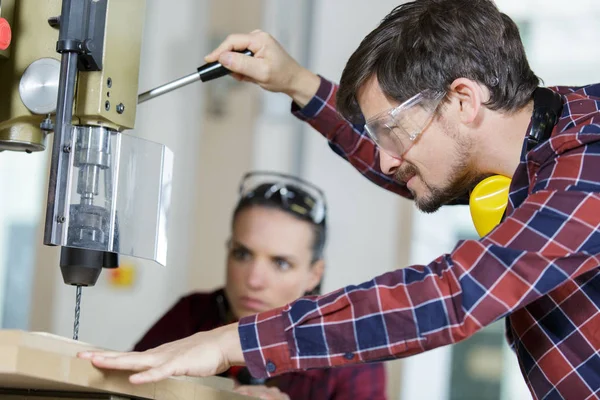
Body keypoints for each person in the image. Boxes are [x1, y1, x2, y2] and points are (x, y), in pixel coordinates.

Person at [79, 1, 600, 399]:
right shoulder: (531, 158)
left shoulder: (587, 167)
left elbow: (452, 295)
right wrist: (296, 83)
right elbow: (421, 170)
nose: (388, 161)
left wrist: (229, 343)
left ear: (462, 101)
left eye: (392, 132)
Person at [129, 171, 386, 400]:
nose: (253, 280)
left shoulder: (351, 352)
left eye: (281, 263)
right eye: (242, 254)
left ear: (314, 274)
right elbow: (124, 389)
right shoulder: (192, 315)